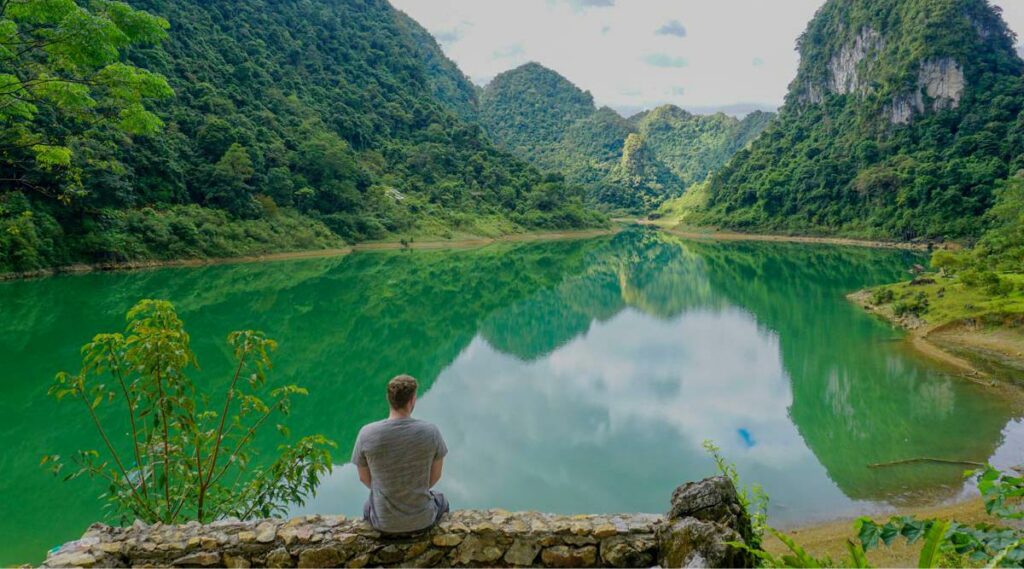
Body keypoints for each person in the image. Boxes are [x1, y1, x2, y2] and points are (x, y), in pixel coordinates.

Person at [352, 374, 450, 534]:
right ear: (412, 400)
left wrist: (389, 491)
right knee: (441, 500)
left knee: (368, 505)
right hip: (423, 520)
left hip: (383, 523)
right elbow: (436, 475)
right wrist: (413, 491)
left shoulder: (367, 433)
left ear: (388, 399)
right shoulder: (430, 432)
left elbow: (364, 478)